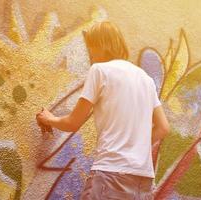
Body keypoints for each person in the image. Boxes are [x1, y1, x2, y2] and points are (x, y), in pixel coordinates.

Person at [36, 21, 169, 200]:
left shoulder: (100, 71)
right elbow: (163, 128)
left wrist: (49, 118)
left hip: (111, 173)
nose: (90, 53)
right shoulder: (146, 79)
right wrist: (135, 145)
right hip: (143, 178)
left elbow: (73, 122)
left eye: (91, 47)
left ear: (101, 45)